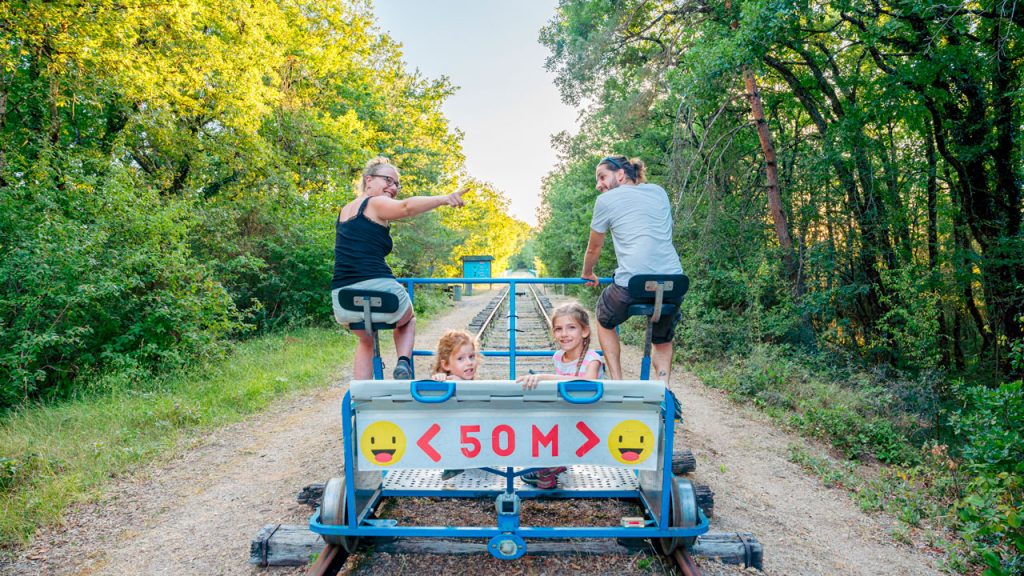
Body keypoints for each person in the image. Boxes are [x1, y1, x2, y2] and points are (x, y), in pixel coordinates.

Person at [331, 156, 467, 380]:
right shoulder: (374, 203)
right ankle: (403, 363)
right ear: (369, 181)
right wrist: (444, 199)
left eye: (396, 184)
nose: (393, 187)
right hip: (383, 292)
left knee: (365, 339)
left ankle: (362, 400)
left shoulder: (345, 210)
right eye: (388, 180)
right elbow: (406, 207)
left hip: (343, 299)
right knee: (408, 318)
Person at [580, 155, 684, 385]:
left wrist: (588, 273)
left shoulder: (606, 201)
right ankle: (663, 387)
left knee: (605, 318)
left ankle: (617, 382)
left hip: (635, 283)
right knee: (662, 336)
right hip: (675, 282)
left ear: (620, 174)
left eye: (602, 177)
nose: (599, 184)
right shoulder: (658, 192)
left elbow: (594, 248)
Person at [516, 303, 604, 489]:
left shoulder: (592, 359)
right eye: (558, 329)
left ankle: (552, 465)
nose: (564, 334)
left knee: (550, 420)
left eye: (571, 327)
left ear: (585, 331)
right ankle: (549, 465)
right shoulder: (558, 357)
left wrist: (544, 377)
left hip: (590, 414)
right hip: (569, 411)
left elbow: (586, 385)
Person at [430, 330, 480, 480]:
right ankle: (452, 470)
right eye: (461, 359)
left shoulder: (474, 384)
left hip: (472, 438)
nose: (469, 362)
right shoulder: (448, 381)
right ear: (446, 364)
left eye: (472, 357)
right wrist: (439, 379)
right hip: (454, 440)